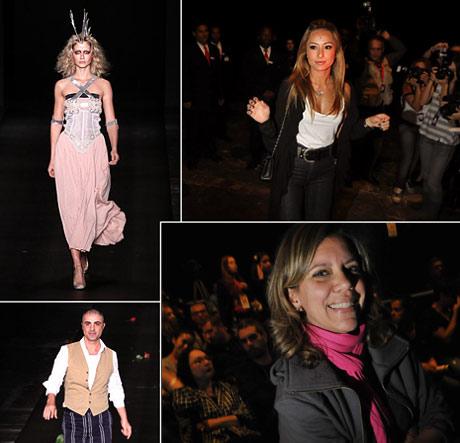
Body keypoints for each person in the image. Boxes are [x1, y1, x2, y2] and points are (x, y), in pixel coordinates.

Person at [267, 224, 453, 442]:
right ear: (294, 297)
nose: (346, 283)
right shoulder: (298, 399)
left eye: (352, 269)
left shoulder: (390, 343)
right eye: (322, 273)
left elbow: (438, 411)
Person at [247, 19, 390, 220]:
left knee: (317, 228)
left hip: (326, 169)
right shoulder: (293, 87)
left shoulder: (345, 90)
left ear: (336, 51)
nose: (320, 54)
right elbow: (277, 146)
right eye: (314, 47)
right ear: (305, 51)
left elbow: (347, 134)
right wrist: (265, 123)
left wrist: (369, 123)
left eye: (327, 47)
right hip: (293, 167)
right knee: (291, 228)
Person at [48, 11, 126, 290]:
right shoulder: (61, 86)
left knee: (94, 201)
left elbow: (111, 119)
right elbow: (56, 122)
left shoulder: (104, 85)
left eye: (86, 52)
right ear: (71, 55)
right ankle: (76, 266)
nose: (82, 56)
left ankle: (84, 249)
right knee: (71, 205)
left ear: (94, 55)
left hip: (95, 147)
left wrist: (114, 147)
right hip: (68, 148)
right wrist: (52, 157)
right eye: (78, 52)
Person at [42, 308, 132, 441]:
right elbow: (55, 378)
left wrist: (124, 419)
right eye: (88, 323)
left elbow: (116, 388)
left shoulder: (111, 355)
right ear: (82, 326)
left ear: (103, 326)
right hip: (74, 418)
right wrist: (51, 401)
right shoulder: (67, 351)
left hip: (101, 419)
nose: (92, 328)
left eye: (97, 323)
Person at [172, 347, 261, 442]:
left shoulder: (225, 387)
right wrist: (232, 419)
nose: (207, 362)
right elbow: (196, 428)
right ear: (187, 368)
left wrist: (213, 423)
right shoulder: (185, 394)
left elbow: (246, 417)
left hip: (245, 437)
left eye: (207, 358)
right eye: (198, 361)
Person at [416, 42, 459, 219]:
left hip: (445, 139)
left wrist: (446, 85)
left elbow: (447, 112)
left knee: (434, 181)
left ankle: (431, 217)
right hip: (427, 133)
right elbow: (422, 102)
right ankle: (426, 209)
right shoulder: (440, 77)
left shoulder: (456, 85)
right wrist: (432, 82)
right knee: (426, 177)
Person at [391, 58, 431, 203]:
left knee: (415, 158)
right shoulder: (407, 84)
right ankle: (398, 187)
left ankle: (407, 180)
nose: (420, 72)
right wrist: (418, 87)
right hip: (407, 125)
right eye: (417, 69)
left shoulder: (430, 85)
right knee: (407, 157)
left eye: (423, 70)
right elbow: (416, 106)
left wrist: (426, 83)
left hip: (423, 127)